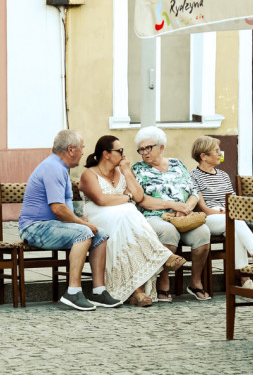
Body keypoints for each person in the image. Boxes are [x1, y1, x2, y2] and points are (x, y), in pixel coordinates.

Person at [18, 129, 120, 311]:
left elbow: (62, 210)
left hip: (53, 226)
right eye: (81, 148)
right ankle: (72, 292)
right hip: (34, 228)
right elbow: (57, 209)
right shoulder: (53, 168)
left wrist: (78, 219)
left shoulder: (60, 168)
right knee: (84, 232)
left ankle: (98, 291)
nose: (83, 152)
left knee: (101, 235)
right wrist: (81, 224)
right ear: (71, 149)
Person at [80, 135, 185, 307]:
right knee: (129, 209)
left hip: (121, 217)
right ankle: (161, 256)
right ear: (106, 154)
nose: (123, 154)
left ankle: (138, 293)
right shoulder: (89, 174)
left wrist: (127, 172)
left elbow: (138, 196)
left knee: (128, 235)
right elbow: (101, 200)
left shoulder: (122, 171)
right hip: (98, 214)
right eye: (119, 150)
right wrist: (127, 197)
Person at [132, 126, 212, 302]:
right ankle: (164, 279)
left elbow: (193, 192)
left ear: (161, 147)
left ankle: (195, 281)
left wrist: (185, 209)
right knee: (168, 231)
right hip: (154, 216)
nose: (144, 153)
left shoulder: (177, 164)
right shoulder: (137, 169)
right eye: (141, 149)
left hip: (183, 216)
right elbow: (141, 200)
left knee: (203, 233)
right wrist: (171, 205)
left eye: (148, 148)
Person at [190, 135, 253, 290]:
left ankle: (245, 279)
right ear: (204, 156)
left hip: (229, 216)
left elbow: (234, 201)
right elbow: (202, 208)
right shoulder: (193, 176)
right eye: (216, 151)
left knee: (235, 230)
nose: (220, 154)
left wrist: (230, 211)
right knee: (234, 221)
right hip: (208, 218)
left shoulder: (223, 175)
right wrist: (224, 213)